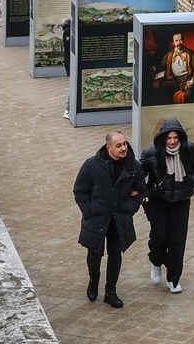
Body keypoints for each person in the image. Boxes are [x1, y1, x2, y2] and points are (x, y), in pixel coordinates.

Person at [73, 131, 144, 308]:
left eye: (125, 144)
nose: (123, 148)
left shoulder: (133, 167)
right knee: (94, 253)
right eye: (118, 145)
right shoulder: (92, 165)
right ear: (108, 147)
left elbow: (141, 191)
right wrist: (89, 211)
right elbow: (80, 191)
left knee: (115, 254)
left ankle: (111, 291)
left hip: (119, 218)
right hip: (97, 218)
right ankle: (93, 280)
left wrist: (129, 208)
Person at [139, 119, 194, 294]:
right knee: (159, 236)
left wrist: (192, 181)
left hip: (181, 200)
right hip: (158, 201)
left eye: (176, 137)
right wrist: (147, 191)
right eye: (169, 138)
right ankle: (156, 261)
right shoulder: (151, 153)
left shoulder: (188, 149)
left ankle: (173, 279)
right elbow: (139, 175)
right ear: (163, 138)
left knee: (177, 240)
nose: (173, 141)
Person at [62, 17, 72, 119]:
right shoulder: (68, 32)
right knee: (72, 86)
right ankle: (67, 109)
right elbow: (68, 48)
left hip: (70, 63)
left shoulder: (68, 31)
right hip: (70, 63)